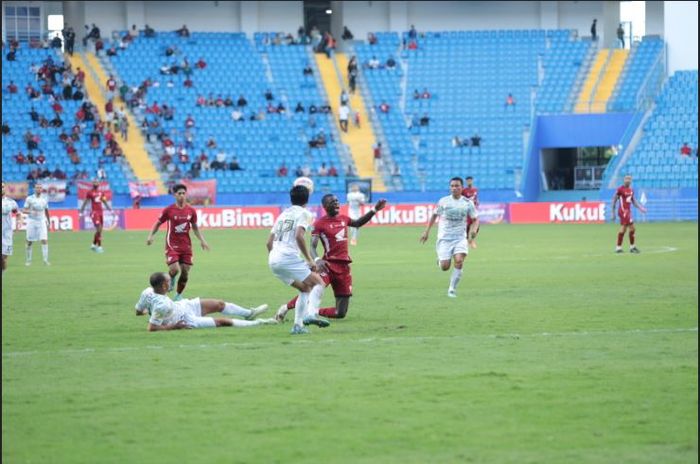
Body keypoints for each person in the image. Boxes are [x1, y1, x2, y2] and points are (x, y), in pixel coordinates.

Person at [276, 194, 387, 322]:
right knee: (312, 288)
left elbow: (357, 223)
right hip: (327, 265)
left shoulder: (344, 218)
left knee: (340, 313)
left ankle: (313, 311)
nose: (335, 203)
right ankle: (285, 308)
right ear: (325, 206)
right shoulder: (319, 224)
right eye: (332, 202)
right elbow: (312, 246)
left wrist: (375, 210)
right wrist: (317, 260)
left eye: (336, 201)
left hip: (344, 268)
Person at [266, 185, 330, 334]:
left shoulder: (282, 215)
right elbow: (299, 236)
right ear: (307, 198)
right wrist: (309, 260)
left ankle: (298, 326)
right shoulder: (305, 214)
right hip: (287, 257)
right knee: (319, 283)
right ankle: (311, 314)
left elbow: (268, 242)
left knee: (305, 288)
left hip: (273, 259)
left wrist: (275, 258)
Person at [136, 272, 276, 331]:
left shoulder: (147, 291)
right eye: (169, 281)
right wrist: (174, 327)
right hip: (186, 319)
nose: (171, 283)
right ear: (164, 286)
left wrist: (147, 311)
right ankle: (260, 323)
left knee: (219, 304)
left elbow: (138, 310)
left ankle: (249, 313)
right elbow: (151, 328)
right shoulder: (162, 305)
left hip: (183, 306)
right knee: (223, 322)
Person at [146, 184, 210, 300]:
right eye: (179, 193)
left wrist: (202, 241)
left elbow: (195, 227)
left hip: (186, 246)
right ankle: (172, 278)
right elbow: (158, 223)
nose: (181, 195)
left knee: (185, 272)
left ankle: (178, 294)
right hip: (172, 245)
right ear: (175, 195)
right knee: (175, 269)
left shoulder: (191, 211)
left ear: (186, 194)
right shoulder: (169, 210)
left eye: (183, 193)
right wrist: (151, 236)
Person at [419, 177, 479, 298]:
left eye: (457, 186)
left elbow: (475, 219)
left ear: (462, 188)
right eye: (452, 186)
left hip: (460, 238)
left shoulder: (467, 203)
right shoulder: (443, 201)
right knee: (445, 267)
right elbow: (434, 216)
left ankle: (452, 289)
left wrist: (473, 231)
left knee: (459, 260)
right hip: (445, 238)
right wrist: (426, 231)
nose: (454, 188)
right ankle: (440, 261)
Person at [611, 175, 646, 253]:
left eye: (629, 179)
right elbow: (614, 199)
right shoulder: (620, 189)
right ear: (623, 180)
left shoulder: (631, 190)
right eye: (626, 179)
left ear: (631, 181)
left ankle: (618, 247)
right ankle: (632, 247)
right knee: (632, 228)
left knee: (624, 229)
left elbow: (633, 201)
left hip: (628, 211)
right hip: (623, 211)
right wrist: (612, 212)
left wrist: (640, 208)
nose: (628, 180)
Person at [79, 179, 112, 253]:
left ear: (99, 184)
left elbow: (104, 201)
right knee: (99, 228)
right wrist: (81, 213)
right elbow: (85, 202)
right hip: (94, 212)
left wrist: (110, 209)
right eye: (94, 182)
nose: (95, 183)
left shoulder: (101, 193)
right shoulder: (90, 192)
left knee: (99, 230)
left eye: (97, 182)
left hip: (101, 212)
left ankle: (93, 245)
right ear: (92, 183)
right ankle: (99, 247)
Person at [22, 183, 51, 266]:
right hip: (32, 221)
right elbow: (24, 210)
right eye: (37, 188)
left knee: (44, 240)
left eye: (40, 188)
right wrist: (30, 212)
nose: (39, 189)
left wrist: (48, 222)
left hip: (42, 221)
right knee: (29, 241)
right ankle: (28, 260)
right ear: (34, 189)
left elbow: (46, 211)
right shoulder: (29, 199)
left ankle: (45, 260)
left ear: (42, 189)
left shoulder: (45, 199)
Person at [2, 181, 20, 273]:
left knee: (4, 259)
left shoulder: (11, 202)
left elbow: (17, 213)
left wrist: (18, 225)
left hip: (7, 234)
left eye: (2, 187)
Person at [462, 176, 480, 249]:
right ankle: (466, 241)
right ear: (466, 182)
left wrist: (477, 202)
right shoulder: (464, 190)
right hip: (467, 211)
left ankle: (472, 240)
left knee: (477, 226)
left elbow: (475, 198)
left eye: (470, 180)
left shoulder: (475, 189)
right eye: (468, 181)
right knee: (467, 226)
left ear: (472, 181)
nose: (469, 182)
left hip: (474, 210)